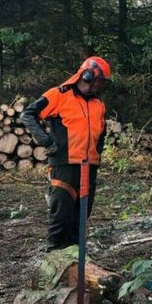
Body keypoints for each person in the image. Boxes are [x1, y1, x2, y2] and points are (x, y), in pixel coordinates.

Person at [22, 56, 111, 250]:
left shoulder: (99, 105)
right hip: (64, 164)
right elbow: (28, 114)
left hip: (89, 166)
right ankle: (55, 254)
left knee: (82, 216)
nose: (101, 86)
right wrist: (46, 141)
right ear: (87, 75)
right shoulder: (59, 94)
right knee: (61, 213)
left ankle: (77, 258)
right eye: (99, 81)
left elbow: (101, 132)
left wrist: (97, 152)